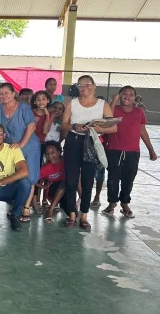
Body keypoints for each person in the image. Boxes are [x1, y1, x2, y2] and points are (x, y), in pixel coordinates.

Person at [61, 75, 117, 232]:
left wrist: (99, 129)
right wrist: (74, 127)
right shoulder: (71, 104)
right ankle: (72, 214)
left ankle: (84, 215)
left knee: (87, 181)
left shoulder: (103, 105)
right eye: (80, 85)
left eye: (87, 85)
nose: (84, 88)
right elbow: (64, 125)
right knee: (71, 181)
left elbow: (114, 127)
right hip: (73, 142)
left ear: (94, 86)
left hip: (91, 143)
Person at [102, 86, 157, 218]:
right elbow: (106, 118)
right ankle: (112, 203)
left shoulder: (139, 112)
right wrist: (114, 100)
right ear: (119, 96)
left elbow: (142, 131)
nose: (127, 96)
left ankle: (125, 203)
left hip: (132, 151)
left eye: (131, 94)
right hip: (114, 149)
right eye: (124, 94)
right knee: (113, 178)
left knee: (129, 178)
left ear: (135, 98)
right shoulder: (114, 108)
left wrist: (151, 149)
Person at [0, 83, 41, 223]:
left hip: (28, 146)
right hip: (10, 149)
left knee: (28, 177)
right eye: (1, 93)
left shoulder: (23, 107)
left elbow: (31, 126)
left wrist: (21, 144)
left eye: (6, 93)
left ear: (13, 94)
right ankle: (16, 204)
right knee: (13, 176)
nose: (3, 96)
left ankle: (26, 207)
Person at [39, 141, 67, 224]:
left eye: (52, 152)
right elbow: (32, 180)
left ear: (59, 152)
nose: (50, 156)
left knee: (70, 210)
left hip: (67, 191)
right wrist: (42, 186)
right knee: (63, 183)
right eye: (47, 154)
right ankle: (50, 210)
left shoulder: (66, 161)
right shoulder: (45, 168)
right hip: (53, 191)